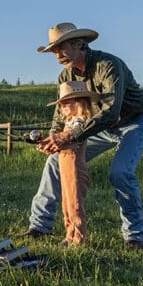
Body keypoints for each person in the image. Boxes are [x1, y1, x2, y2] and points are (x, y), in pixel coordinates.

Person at [27, 22, 143, 248]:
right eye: (54, 51)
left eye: (61, 47)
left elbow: (110, 112)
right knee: (54, 162)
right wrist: (52, 139)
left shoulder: (108, 65)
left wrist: (69, 137)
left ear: (80, 44)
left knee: (120, 172)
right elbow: (61, 114)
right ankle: (39, 227)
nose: (57, 55)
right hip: (99, 127)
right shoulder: (65, 75)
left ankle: (134, 236)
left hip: (134, 121)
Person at [47, 81, 99, 246]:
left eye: (66, 103)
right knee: (66, 203)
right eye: (61, 104)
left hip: (75, 169)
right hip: (65, 167)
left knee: (75, 204)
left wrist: (58, 140)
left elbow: (71, 139)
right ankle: (69, 234)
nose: (62, 107)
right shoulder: (69, 123)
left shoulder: (80, 124)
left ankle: (78, 239)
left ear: (79, 103)